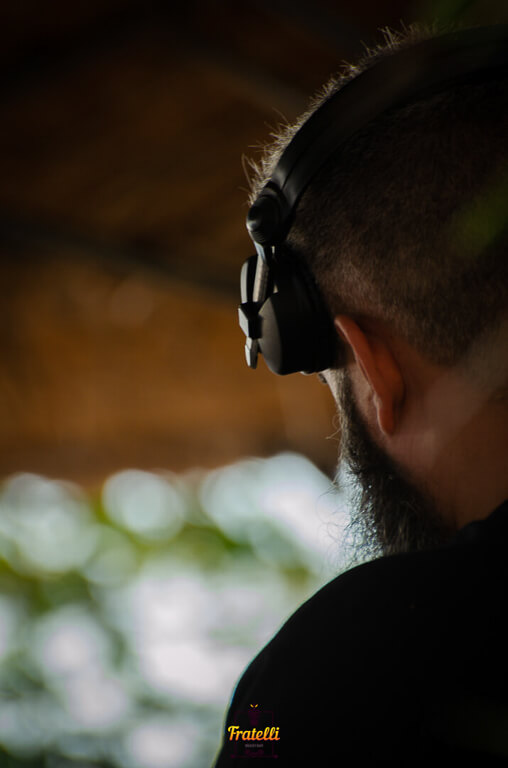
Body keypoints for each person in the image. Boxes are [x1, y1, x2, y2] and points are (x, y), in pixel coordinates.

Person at [214, 24, 508, 765]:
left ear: (376, 370)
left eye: (333, 376)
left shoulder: (342, 671)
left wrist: (274, 708)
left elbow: (263, 737)